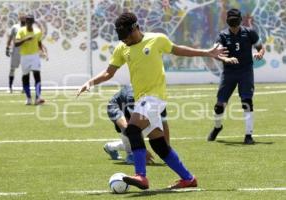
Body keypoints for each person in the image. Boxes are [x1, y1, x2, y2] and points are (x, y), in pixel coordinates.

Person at [77, 12, 227, 190]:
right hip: (142, 100)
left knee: (132, 130)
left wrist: (207, 53)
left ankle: (141, 176)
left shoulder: (157, 39)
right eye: (121, 38)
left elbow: (178, 50)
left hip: (155, 97)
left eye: (126, 36)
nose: (124, 40)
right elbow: (109, 72)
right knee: (159, 146)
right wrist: (90, 82)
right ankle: (188, 178)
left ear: (135, 28)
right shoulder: (121, 48)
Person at [207, 8, 265, 144]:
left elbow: (260, 47)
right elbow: (216, 52)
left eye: (235, 18)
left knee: (247, 102)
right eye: (230, 17)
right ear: (227, 20)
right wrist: (225, 59)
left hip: (245, 72)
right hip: (229, 73)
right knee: (219, 105)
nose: (233, 20)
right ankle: (217, 127)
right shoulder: (222, 35)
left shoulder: (249, 32)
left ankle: (248, 135)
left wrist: (260, 53)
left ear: (240, 20)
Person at [104, 85, 169, 164]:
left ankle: (110, 147)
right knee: (131, 136)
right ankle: (130, 154)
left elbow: (164, 126)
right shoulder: (133, 96)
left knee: (143, 133)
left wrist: (167, 151)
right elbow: (130, 128)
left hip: (131, 110)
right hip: (117, 107)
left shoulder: (159, 100)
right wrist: (143, 149)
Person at [15, 14, 48, 105]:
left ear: (33, 22)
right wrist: (25, 39)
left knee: (37, 76)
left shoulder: (37, 32)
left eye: (30, 21)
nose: (29, 22)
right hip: (24, 56)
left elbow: (39, 42)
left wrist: (43, 51)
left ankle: (38, 98)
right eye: (27, 21)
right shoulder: (21, 31)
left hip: (35, 56)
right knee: (25, 77)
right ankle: (28, 98)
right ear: (25, 22)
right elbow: (16, 43)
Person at [6, 13, 26, 93]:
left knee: (25, 70)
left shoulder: (28, 28)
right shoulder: (15, 27)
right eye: (22, 17)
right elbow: (10, 38)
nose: (23, 19)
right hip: (16, 50)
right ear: (19, 18)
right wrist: (7, 48)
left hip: (25, 51)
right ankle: (10, 87)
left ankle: (24, 88)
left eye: (25, 17)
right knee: (12, 69)